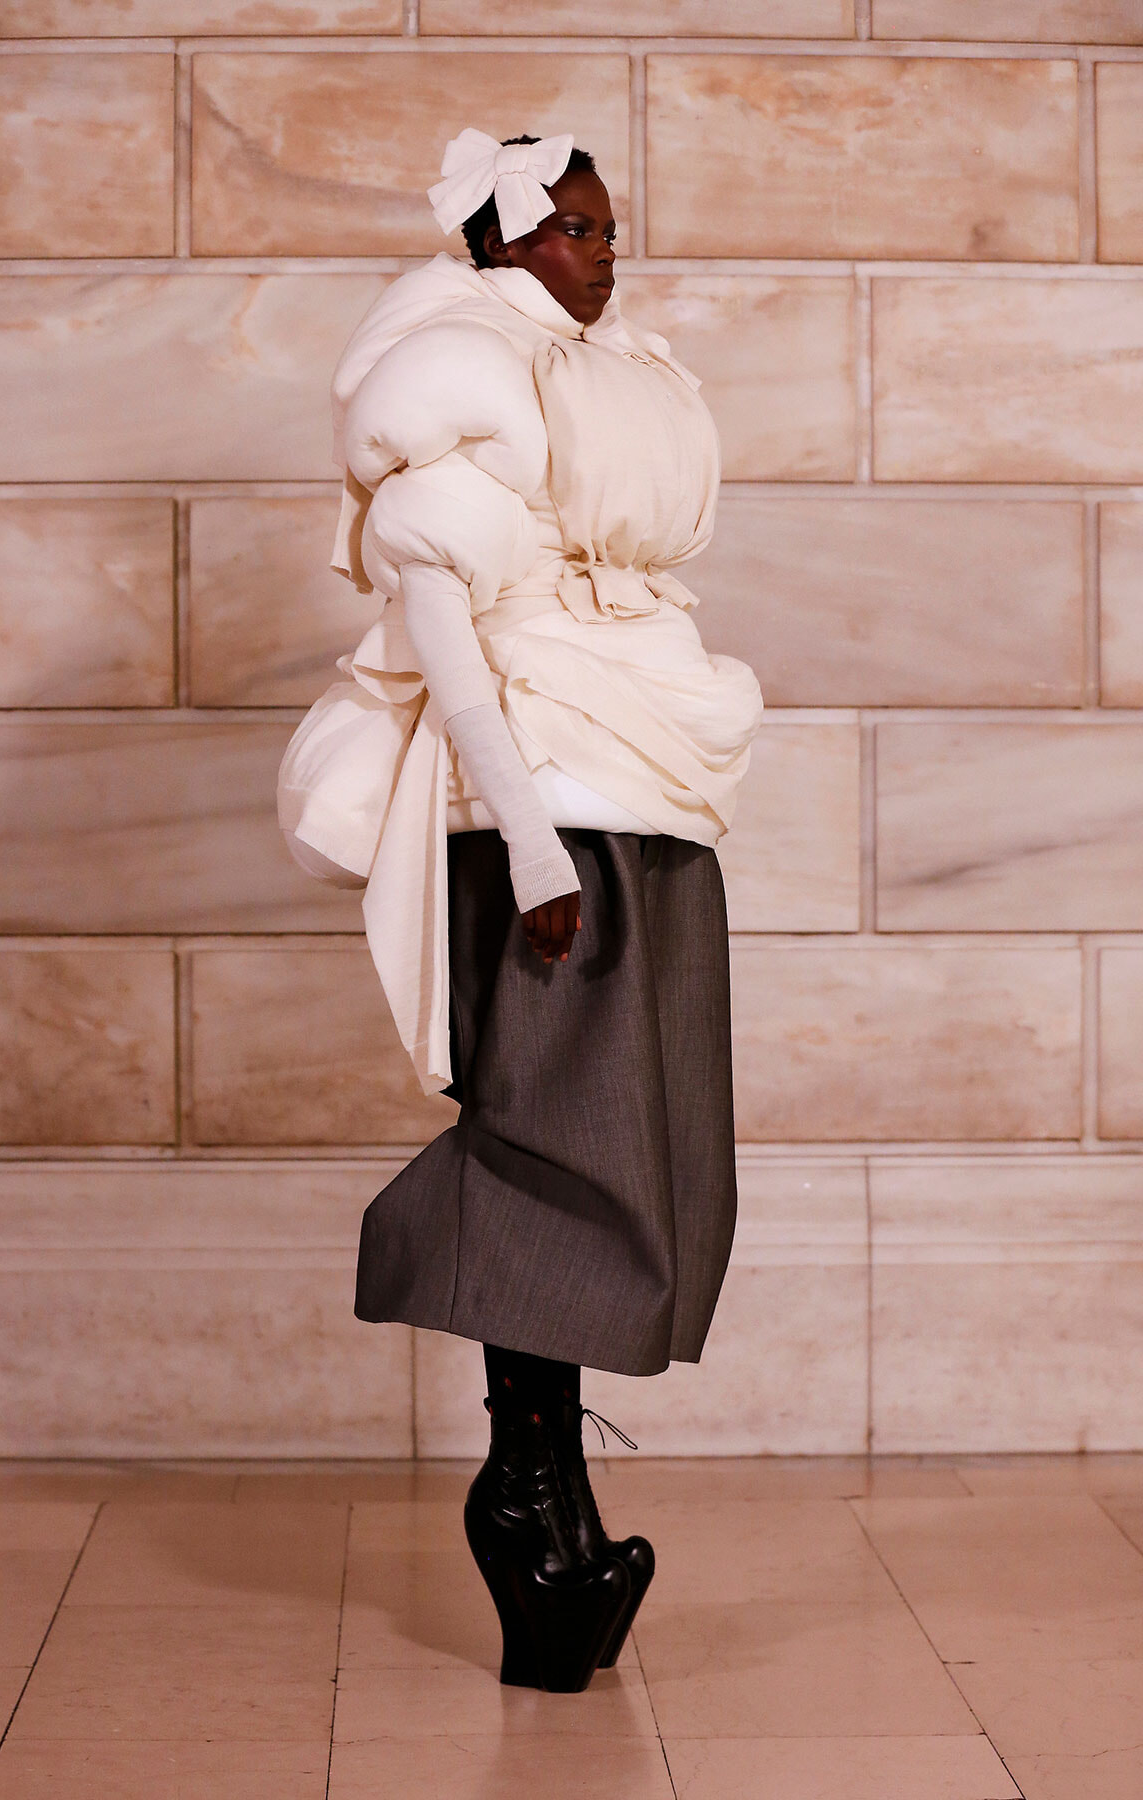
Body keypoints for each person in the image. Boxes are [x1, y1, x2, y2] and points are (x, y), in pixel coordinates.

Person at [277, 127, 763, 1692]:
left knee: (638, 1134)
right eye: (571, 229)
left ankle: (548, 1498)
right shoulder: (459, 372)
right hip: (545, 798)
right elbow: (443, 619)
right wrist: (534, 844)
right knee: (561, 1138)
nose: (601, 253)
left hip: (637, 772)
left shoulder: (598, 372)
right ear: (496, 244)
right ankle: (530, 1497)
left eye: (609, 229)